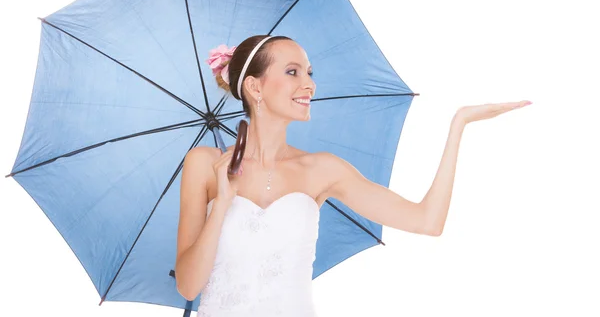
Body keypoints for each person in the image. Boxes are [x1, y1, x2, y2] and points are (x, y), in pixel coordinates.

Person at [174, 34, 532, 316]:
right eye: (293, 72)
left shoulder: (322, 170)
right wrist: (221, 204)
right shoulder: (204, 164)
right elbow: (189, 287)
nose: (309, 85)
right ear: (255, 88)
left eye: (309, 73)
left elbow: (427, 220)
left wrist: (459, 125)